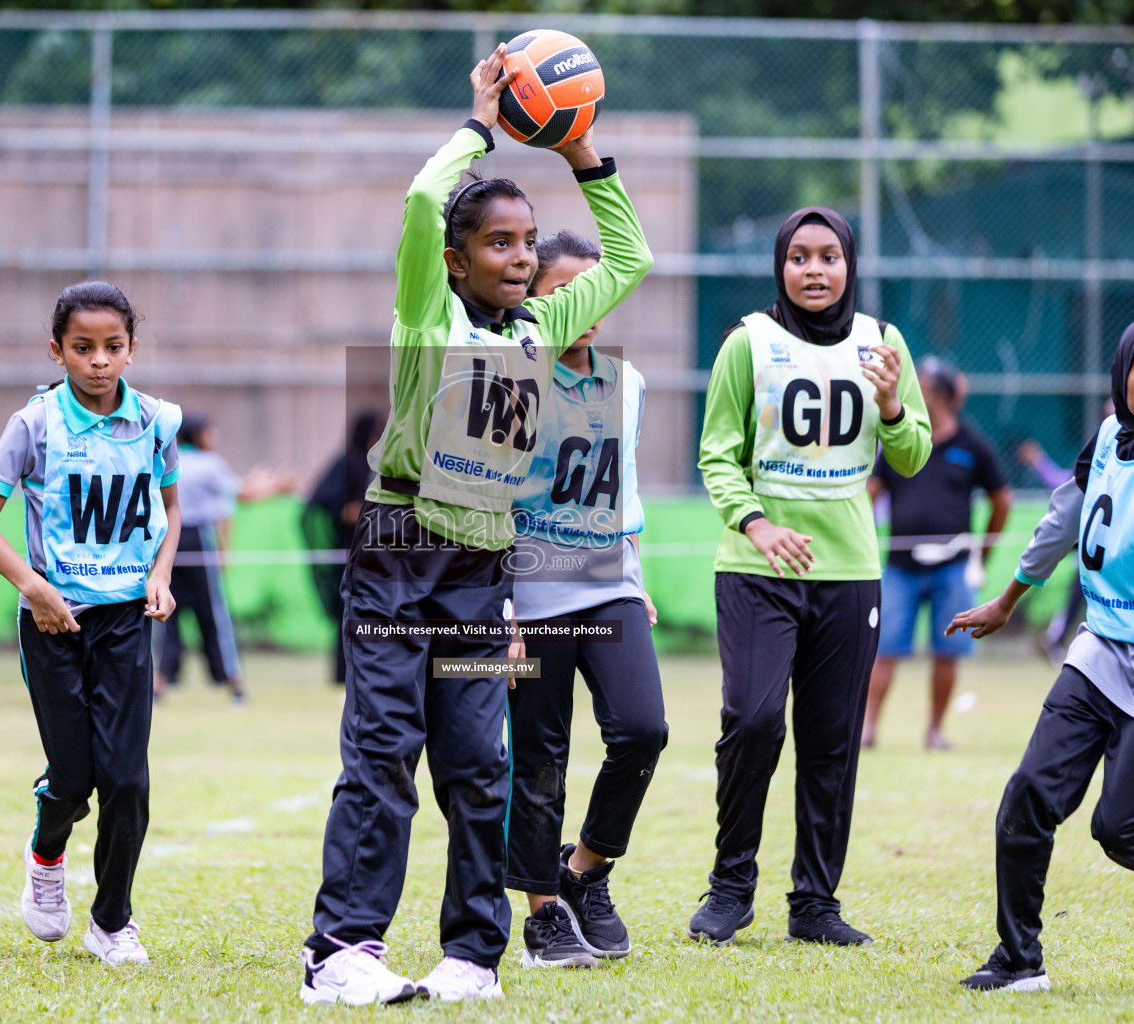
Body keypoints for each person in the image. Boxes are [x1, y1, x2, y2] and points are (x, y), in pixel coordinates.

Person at [299, 46, 652, 1006]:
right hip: (402, 552)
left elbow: (632, 258)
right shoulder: (426, 320)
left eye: (529, 241)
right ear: (456, 261)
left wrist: (582, 152)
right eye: (499, 242)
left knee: (475, 764)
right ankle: (342, 952)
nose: (522, 256)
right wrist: (480, 126)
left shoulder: (541, 329)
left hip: (481, 566)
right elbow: (422, 204)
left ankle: (470, 954)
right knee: (382, 752)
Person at [947, 314, 1134, 993]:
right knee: (1028, 796)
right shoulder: (1113, 436)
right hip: (1098, 657)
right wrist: (1010, 598)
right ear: (1121, 373)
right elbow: (1065, 516)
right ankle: (1019, 961)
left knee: (1125, 832)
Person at [688, 207, 931, 947]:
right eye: (800, 257)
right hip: (757, 568)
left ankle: (815, 904)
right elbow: (716, 453)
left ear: (851, 264)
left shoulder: (883, 344)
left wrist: (891, 404)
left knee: (831, 739)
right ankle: (731, 887)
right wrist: (755, 522)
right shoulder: (747, 344)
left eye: (830, 256)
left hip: (850, 570)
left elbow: (913, 454)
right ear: (780, 267)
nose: (816, 270)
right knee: (755, 720)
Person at [0, 281, 183, 966]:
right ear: (56, 351)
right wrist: (33, 588)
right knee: (74, 774)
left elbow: (173, 511)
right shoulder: (33, 425)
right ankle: (47, 850)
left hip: (124, 621)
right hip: (53, 625)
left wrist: (160, 575)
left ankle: (112, 921)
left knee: (129, 778)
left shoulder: (156, 422)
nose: (98, 361)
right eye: (82, 348)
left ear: (131, 350)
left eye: (113, 347)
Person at [506, 231, 666, 969]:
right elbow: (484, 504)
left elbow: (620, 495)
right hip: (529, 596)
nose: (588, 306)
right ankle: (543, 916)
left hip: (609, 583)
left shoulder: (625, 383)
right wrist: (496, 612)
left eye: (597, 289)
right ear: (535, 302)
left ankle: (584, 871)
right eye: (568, 291)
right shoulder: (507, 381)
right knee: (540, 757)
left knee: (642, 729)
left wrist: (637, 573)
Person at [863, 357, 1012, 751]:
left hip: (952, 568)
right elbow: (870, 493)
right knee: (885, 648)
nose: (913, 394)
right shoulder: (900, 440)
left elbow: (1002, 498)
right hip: (899, 568)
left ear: (943, 397)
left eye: (922, 389)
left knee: (948, 652)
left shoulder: (972, 445)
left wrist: (983, 553)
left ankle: (934, 731)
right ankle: (868, 729)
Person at [154, 414, 246, 702]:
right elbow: (236, 499)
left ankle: (159, 681)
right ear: (200, 434)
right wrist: (224, 553)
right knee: (214, 615)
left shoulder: (165, 461)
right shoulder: (211, 464)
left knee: (163, 612)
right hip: (198, 540)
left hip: (167, 541)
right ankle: (234, 683)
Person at [300, 411, 381, 686]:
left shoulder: (370, 464)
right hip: (348, 554)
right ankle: (343, 674)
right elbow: (341, 508)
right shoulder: (351, 463)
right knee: (348, 615)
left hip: (368, 555)